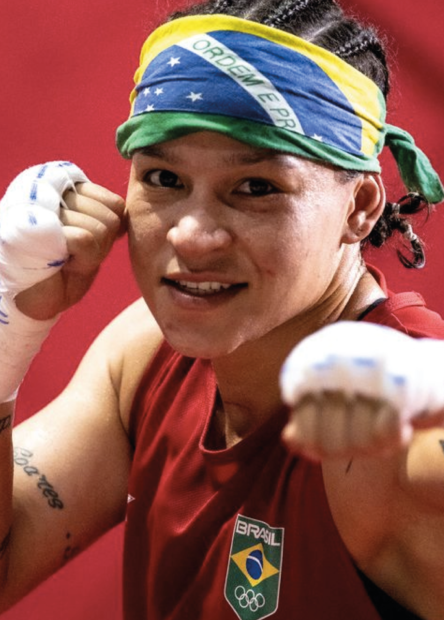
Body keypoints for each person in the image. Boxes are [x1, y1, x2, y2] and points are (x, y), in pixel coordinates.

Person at [0, 0, 444, 619]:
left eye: (256, 188)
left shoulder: (387, 426)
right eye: (163, 179)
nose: (190, 235)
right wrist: (8, 334)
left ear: (360, 206)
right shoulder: (145, 353)